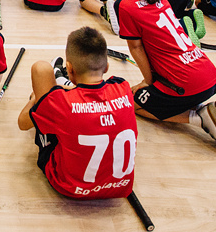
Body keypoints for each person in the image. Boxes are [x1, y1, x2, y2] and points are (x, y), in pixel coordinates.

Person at [115, 0, 216, 156]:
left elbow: (136, 47)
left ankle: (200, 118)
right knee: (166, 92)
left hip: (186, 84)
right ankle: (210, 113)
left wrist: (147, 81)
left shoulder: (125, 5)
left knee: (134, 103)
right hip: (211, 76)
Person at [17, 27, 138, 199]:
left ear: (70, 68)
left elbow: (23, 123)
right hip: (119, 188)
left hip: (69, 188)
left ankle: (59, 81)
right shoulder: (123, 88)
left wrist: (37, 98)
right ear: (106, 67)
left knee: (41, 69)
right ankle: (62, 82)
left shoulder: (62, 104)